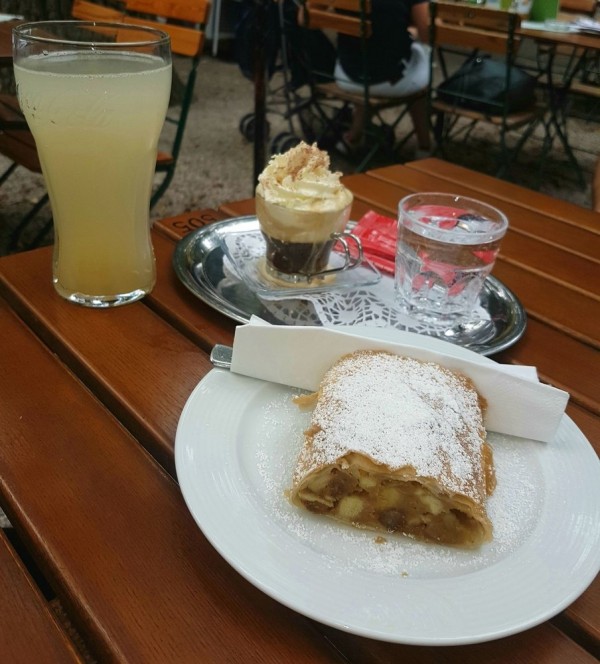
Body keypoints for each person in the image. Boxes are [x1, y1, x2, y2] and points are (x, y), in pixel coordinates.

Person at [333, 0, 432, 156]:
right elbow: (428, 35)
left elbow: (305, 19)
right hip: (391, 81)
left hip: (346, 75)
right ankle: (424, 145)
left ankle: (353, 136)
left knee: (370, 53)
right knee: (422, 56)